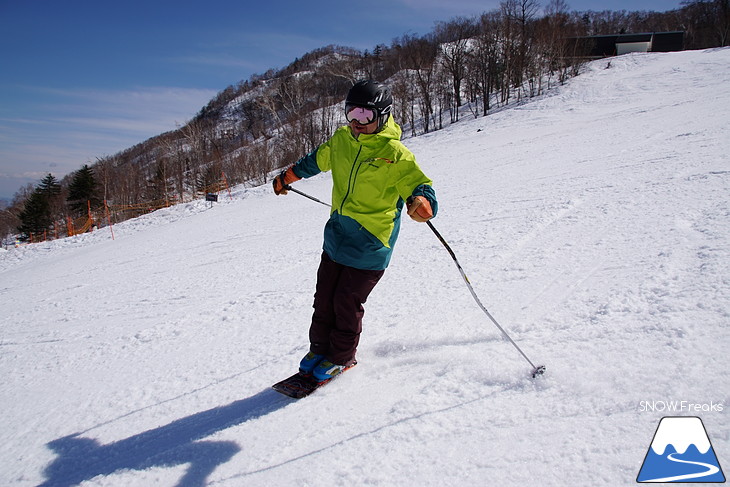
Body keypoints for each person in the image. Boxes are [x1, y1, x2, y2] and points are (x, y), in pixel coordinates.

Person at [273, 80, 438, 381]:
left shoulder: (394, 153)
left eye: (366, 116)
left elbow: (419, 185)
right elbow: (315, 161)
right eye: (352, 114)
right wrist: (288, 177)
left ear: (383, 116)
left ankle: (341, 357)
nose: (357, 123)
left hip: (370, 243)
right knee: (324, 298)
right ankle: (320, 349)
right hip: (337, 236)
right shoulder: (341, 141)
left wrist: (424, 203)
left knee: (346, 302)